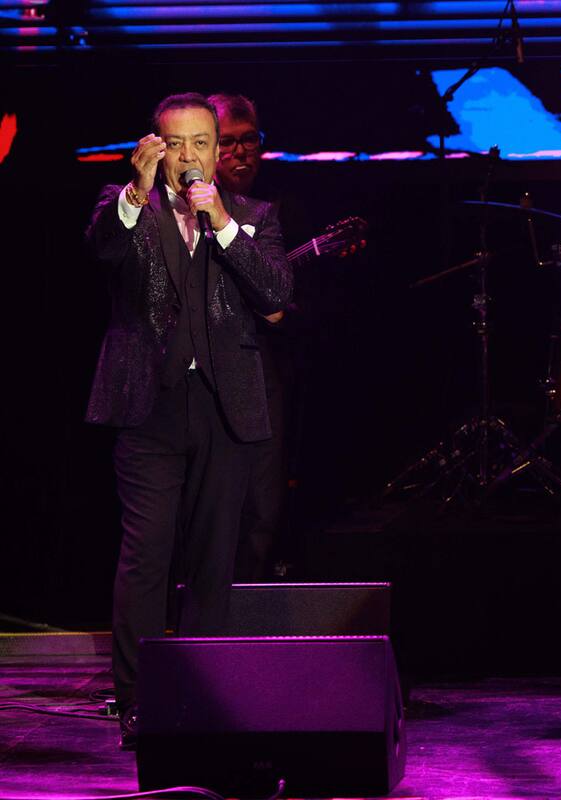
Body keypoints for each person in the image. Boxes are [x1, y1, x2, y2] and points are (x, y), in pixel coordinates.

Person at [85, 92, 291, 748]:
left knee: (212, 559)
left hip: (224, 407)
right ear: (156, 147)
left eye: (202, 142)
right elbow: (103, 251)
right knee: (146, 555)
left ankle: (200, 697)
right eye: (176, 144)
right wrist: (133, 190)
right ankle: (138, 701)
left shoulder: (253, 216)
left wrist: (222, 223)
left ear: (217, 148)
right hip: (147, 405)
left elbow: (276, 294)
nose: (190, 156)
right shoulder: (126, 206)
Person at [209, 92, 290, 581]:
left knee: (261, 503)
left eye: (250, 140)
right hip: (198, 376)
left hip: (255, 372)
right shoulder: (179, 210)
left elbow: (277, 301)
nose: (240, 152)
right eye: (228, 143)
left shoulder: (264, 212)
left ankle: (248, 605)